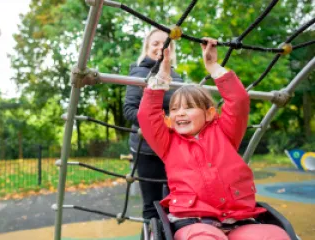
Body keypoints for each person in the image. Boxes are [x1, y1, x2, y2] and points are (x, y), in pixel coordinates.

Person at [137, 38, 291, 240]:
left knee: (274, 236)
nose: (180, 113)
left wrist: (213, 66)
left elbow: (239, 100)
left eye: (188, 107)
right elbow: (146, 115)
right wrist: (163, 76)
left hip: (239, 219)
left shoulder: (225, 133)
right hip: (193, 221)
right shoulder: (168, 143)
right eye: (174, 109)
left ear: (209, 114)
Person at [123, 28, 183, 220]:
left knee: (175, 202)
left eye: (166, 44)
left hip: (173, 147)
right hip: (147, 149)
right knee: (153, 205)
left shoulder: (177, 77)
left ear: (171, 50)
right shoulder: (140, 73)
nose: (160, 47)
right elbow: (130, 110)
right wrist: (161, 123)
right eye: (155, 43)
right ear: (147, 47)